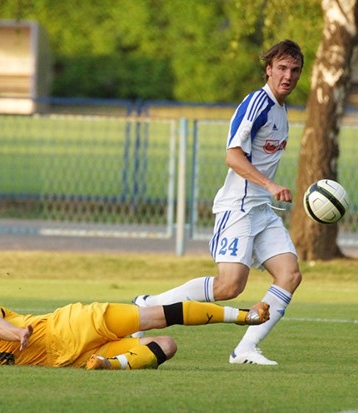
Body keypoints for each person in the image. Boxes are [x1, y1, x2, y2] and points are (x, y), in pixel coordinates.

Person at [133, 40, 304, 366]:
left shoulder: (282, 110)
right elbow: (232, 155)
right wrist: (269, 185)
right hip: (237, 207)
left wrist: (267, 192)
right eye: (281, 68)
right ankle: (148, 305)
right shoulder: (258, 104)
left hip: (261, 211)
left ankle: (245, 350)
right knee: (229, 287)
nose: (288, 76)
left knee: (290, 275)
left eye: (295, 70)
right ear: (268, 70)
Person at [0, 280, 270, 370]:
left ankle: (116, 365)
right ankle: (243, 317)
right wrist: (18, 332)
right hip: (72, 326)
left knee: (165, 344)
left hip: (70, 359)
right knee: (162, 319)